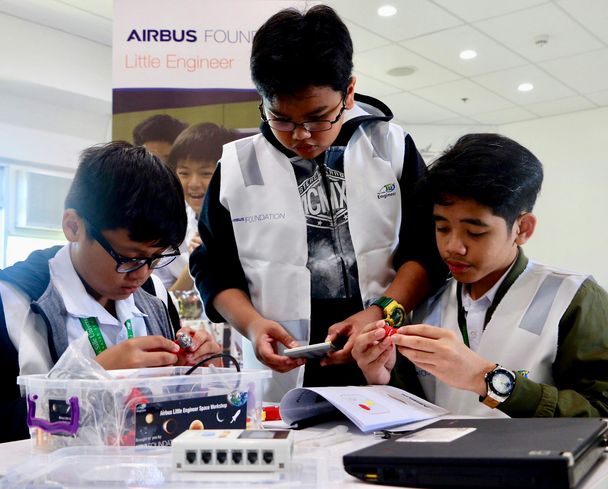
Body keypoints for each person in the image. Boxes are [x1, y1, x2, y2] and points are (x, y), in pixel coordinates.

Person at [190, 5, 444, 401]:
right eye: (281, 119)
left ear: (349, 92)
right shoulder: (238, 165)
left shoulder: (391, 147)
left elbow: (426, 252)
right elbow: (212, 268)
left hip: (384, 355)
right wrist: (254, 326)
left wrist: (379, 314)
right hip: (283, 369)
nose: (301, 136)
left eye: (318, 117)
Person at [352, 133, 608, 417]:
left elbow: (601, 410)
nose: (453, 247)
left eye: (475, 232)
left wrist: (485, 379)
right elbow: (414, 410)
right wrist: (380, 377)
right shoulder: (428, 301)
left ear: (522, 228)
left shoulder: (572, 297)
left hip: (531, 459)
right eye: (442, 228)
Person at [0, 142, 221, 442]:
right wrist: (92, 383)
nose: (142, 273)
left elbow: (167, 413)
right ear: (73, 227)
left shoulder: (154, 294)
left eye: (157, 258)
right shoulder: (12, 302)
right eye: (128, 258)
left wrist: (192, 373)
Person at [156, 122, 238, 291]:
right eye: (184, 173)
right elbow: (161, 304)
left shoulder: (249, 223)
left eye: (206, 173)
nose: (193, 184)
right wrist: (197, 261)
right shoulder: (167, 226)